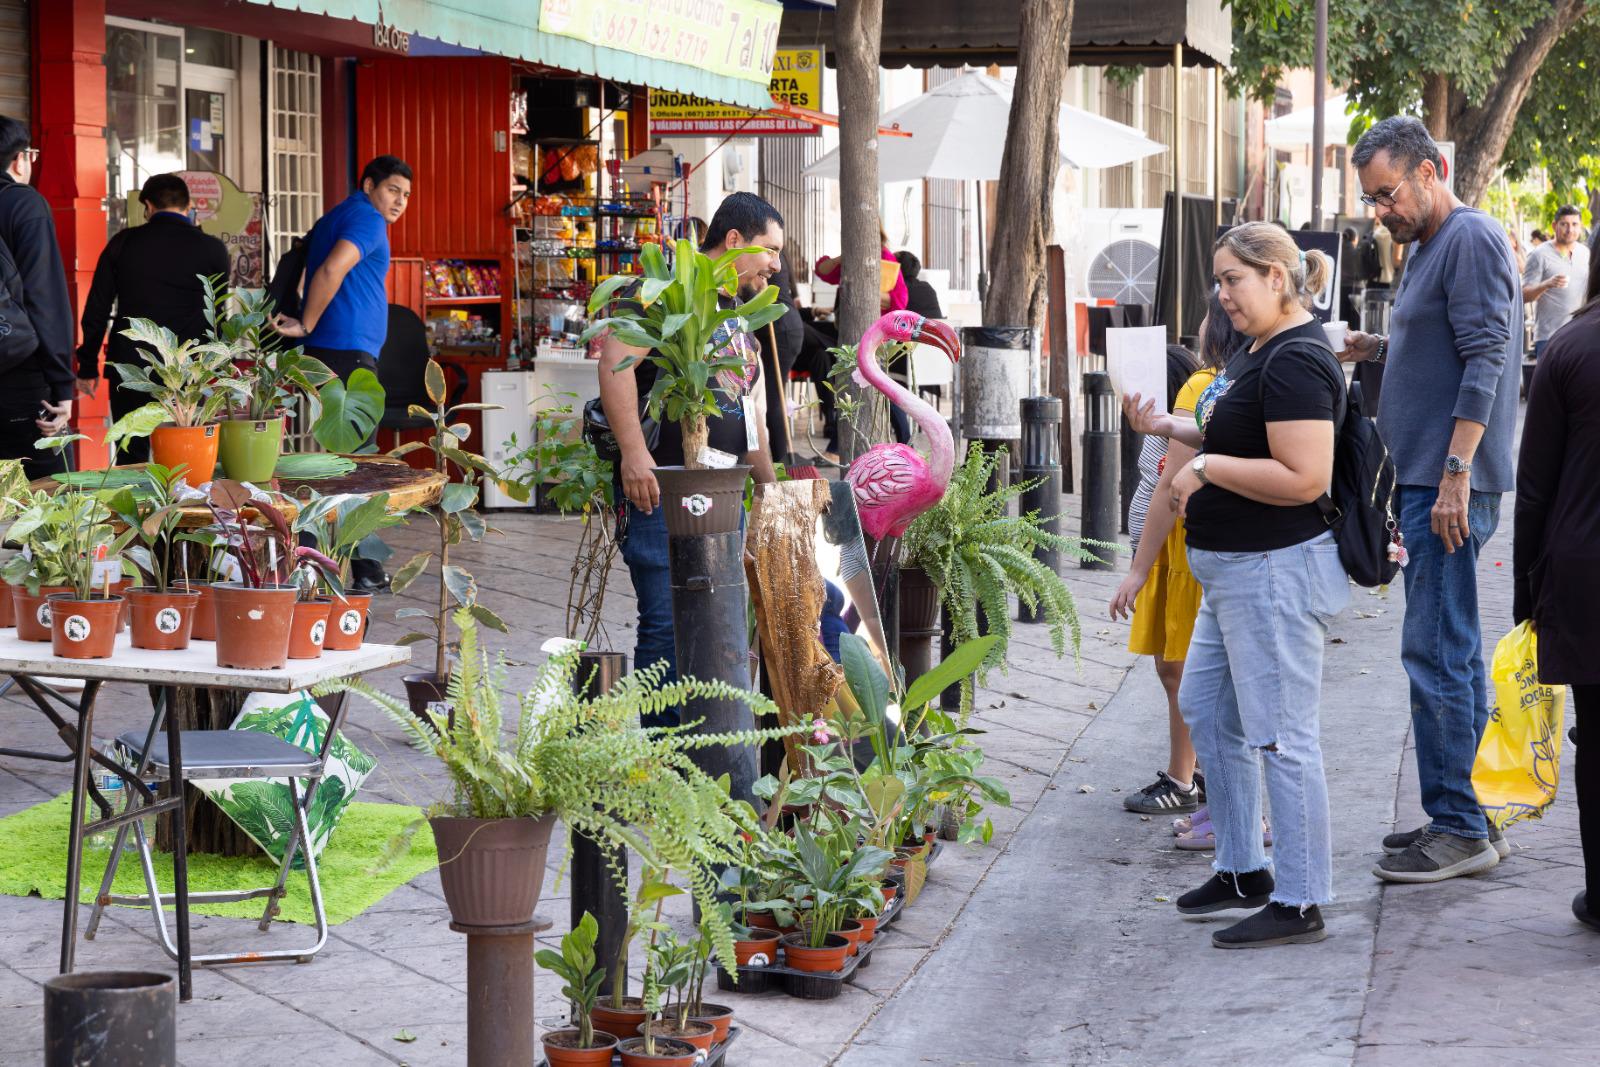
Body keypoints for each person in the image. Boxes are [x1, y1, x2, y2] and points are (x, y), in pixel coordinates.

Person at [1127, 224, 1346, 948]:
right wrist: (1170, 425)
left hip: (1274, 570)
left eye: (1234, 281)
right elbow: (1235, 426)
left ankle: (1302, 894)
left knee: (1283, 735)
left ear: (1277, 277)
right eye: (1219, 281)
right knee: (1207, 707)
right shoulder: (1260, 348)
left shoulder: (1297, 358)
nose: (1222, 296)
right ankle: (1244, 866)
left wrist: (1209, 470)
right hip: (1234, 572)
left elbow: (1305, 476)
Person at [1341, 116, 1520, 883]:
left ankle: (1459, 826)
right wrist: (1377, 349)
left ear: (1431, 169)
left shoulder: (1471, 239)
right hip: (1426, 479)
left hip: (1447, 483)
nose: (1380, 210)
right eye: (1372, 199)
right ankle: (1466, 810)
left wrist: (1455, 472)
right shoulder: (1426, 248)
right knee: (1447, 647)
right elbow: (1446, 344)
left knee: (1437, 650)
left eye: (1387, 193)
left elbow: (1488, 354)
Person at [599, 191, 783, 717]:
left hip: (724, 491)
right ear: (732, 241)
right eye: (768, 250)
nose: (775, 265)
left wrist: (769, 489)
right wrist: (635, 456)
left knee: (719, 617)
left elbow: (746, 411)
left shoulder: (736, 309)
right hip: (662, 487)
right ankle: (659, 759)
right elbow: (615, 362)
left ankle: (704, 755)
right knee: (664, 622)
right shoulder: (663, 289)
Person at [272, 155, 413, 592]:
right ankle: (361, 564)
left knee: (339, 461)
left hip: (330, 351)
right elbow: (333, 267)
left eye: (406, 195)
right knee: (359, 463)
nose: (399, 202)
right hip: (346, 353)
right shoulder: (367, 219)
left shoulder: (338, 214)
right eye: (393, 189)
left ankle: (321, 552)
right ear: (369, 184)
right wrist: (308, 322)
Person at [1514, 264, 1600, 934]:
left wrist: (1525, 595)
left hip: (1582, 568)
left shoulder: (1568, 350)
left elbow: (1535, 486)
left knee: (1596, 735)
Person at [76, 174, 231, 463]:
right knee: (187, 454)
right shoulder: (213, 249)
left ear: (148, 205)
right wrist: (219, 370)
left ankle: (134, 507)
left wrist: (87, 366)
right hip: (189, 370)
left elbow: (97, 308)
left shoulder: (123, 243)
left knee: (131, 455)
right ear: (189, 205)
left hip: (131, 369)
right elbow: (218, 315)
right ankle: (183, 507)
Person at [1111, 342, 1203, 814]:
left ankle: (1183, 780)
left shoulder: (1194, 395)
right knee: (1175, 667)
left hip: (1180, 554)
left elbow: (1167, 487)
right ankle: (1198, 770)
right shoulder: (1171, 415)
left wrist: (1137, 568)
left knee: (1178, 668)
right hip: (1169, 554)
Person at [0, 116, 75, 480]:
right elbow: (45, 300)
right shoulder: (23, 204)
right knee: (46, 502)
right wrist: (63, 387)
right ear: (19, 160)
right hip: (20, 377)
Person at [815, 231, 912, 445]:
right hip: (851, 331)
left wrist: (864, 291)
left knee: (876, 385)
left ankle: (904, 438)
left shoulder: (885, 257)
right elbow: (821, 270)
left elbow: (900, 300)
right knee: (863, 384)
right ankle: (904, 439)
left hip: (874, 335)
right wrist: (844, 256)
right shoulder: (850, 258)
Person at [1521, 204, 1589, 361]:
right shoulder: (1539, 255)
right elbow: (1524, 295)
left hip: (1580, 336)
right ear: (1554, 225)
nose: (1569, 229)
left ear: (1580, 227)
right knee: (1548, 385)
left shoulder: (1586, 254)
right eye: (1564, 224)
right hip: (1549, 337)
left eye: (1574, 224)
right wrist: (1547, 284)